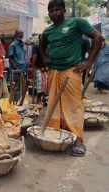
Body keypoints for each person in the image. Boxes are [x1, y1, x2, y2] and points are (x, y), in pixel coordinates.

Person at [40, 0, 103, 157]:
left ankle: (78, 139)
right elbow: (41, 48)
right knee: (54, 102)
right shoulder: (47, 31)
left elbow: (98, 37)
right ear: (49, 14)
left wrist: (89, 61)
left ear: (64, 10)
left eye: (57, 9)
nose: (54, 13)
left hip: (71, 70)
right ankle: (55, 131)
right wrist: (46, 62)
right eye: (51, 11)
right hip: (53, 70)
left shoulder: (76, 23)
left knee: (73, 103)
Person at [31, 34, 48, 105]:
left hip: (46, 68)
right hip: (38, 68)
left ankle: (44, 100)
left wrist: (46, 67)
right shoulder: (36, 46)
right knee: (40, 83)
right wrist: (33, 67)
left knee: (45, 84)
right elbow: (34, 57)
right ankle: (39, 100)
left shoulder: (48, 46)